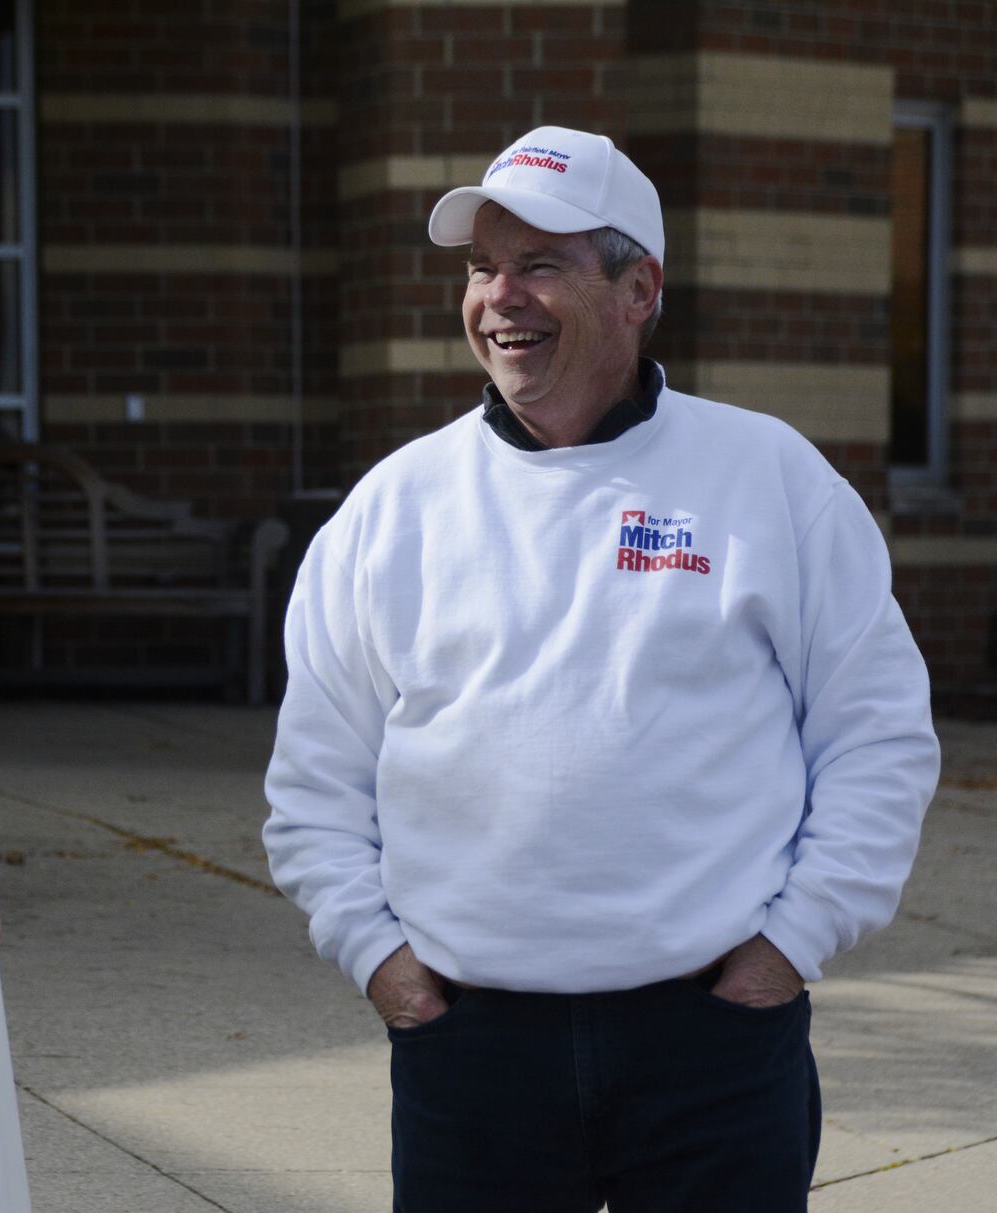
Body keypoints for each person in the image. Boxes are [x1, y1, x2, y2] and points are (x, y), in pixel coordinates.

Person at [262, 125, 940, 1213]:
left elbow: (876, 737)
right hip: (469, 1051)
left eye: (540, 265)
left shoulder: (767, 478)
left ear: (639, 290)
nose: (500, 297)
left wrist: (783, 951)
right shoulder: (394, 508)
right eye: (483, 267)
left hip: (712, 1045)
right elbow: (314, 782)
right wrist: (384, 967)